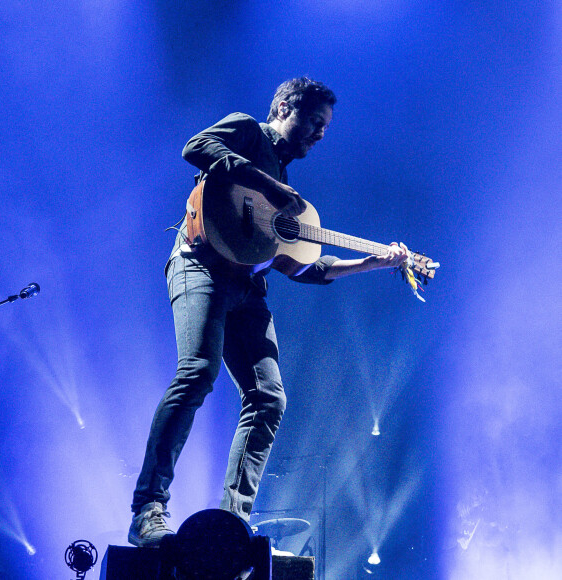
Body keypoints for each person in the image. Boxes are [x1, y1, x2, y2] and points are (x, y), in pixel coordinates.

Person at [128, 77, 408, 547]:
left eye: (325, 127)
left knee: (269, 398)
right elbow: (196, 147)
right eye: (314, 122)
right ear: (283, 107)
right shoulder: (248, 132)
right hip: (199, 265)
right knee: (197, 371)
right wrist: (268, 184)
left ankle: (231, 524)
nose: (320, 134)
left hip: (246, 287)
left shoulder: (286, 192)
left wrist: (371, 262)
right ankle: (148, 508)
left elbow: (302, 267)